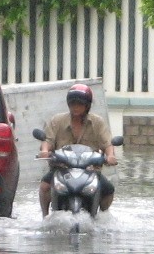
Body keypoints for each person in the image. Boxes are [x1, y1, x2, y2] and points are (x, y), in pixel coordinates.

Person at [38, 84, 117, 214]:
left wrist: (110, 156)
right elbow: (48, 140)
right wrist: (45, 151)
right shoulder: (57, 121)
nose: (75, 107)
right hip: (61, 169)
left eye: (79, 104)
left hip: (90, 171)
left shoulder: (97, 122)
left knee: (109, 191)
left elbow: (107, 143)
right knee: (45, 186)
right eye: (72, 103)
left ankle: (101, 216)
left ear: (87, 105)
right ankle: (45, 216)